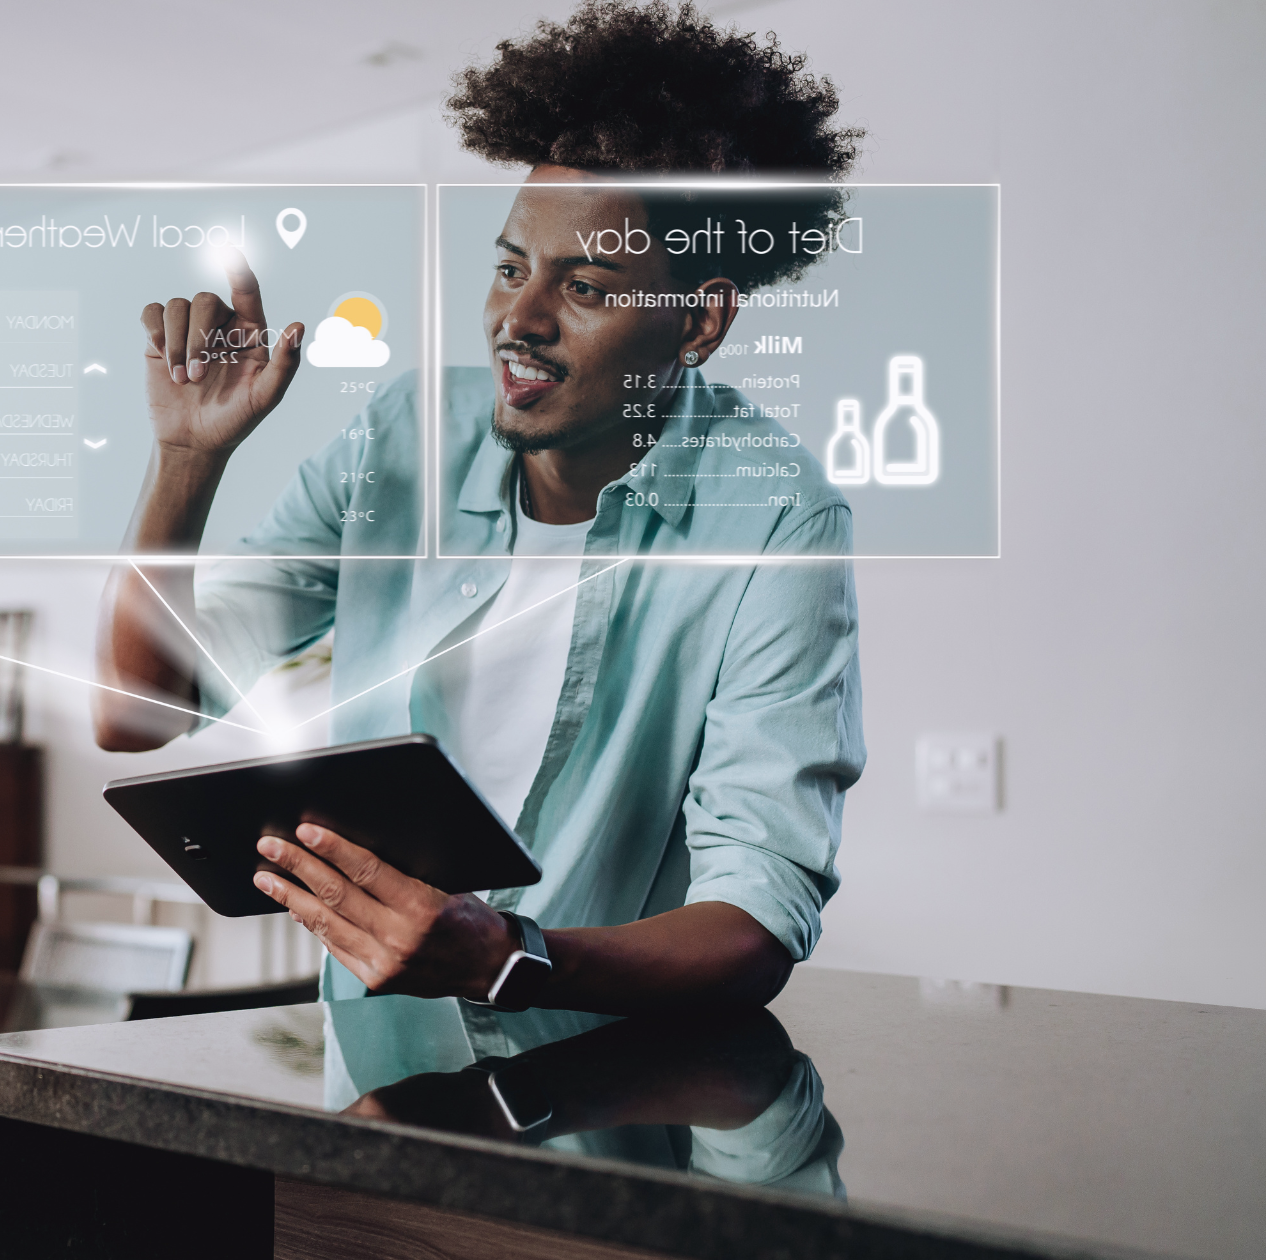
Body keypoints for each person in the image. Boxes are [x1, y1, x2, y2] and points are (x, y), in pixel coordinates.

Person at [92, 0, 866, 1016]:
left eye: (583, 286)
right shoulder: (403, 434)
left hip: (608, 1104)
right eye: (509, 268)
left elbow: (755, 922)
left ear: (696, 318)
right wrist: (185, 464)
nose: (519, 320)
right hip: (373, 1079)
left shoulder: (773, 520)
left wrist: (506, 959)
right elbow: (132, 715)